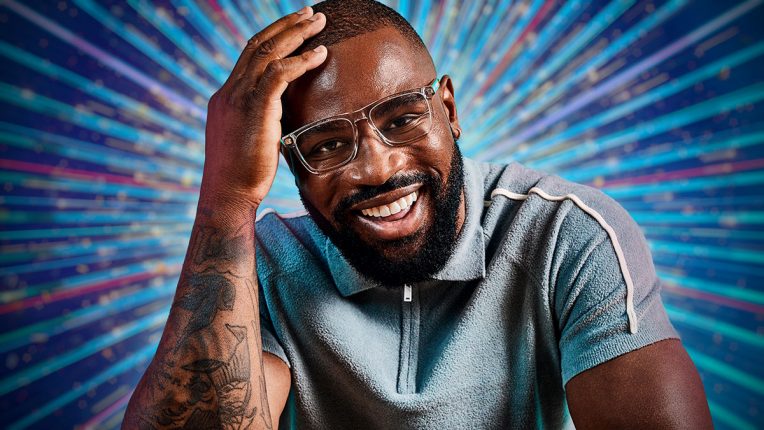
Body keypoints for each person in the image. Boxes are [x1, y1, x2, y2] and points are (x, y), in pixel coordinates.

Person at [124, 1, 713, 428]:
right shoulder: (261, 269)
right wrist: (227, 196)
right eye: (326, 145)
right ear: (290, 165)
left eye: (403, 118)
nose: (377, 168)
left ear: (448, 110)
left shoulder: (567, 236)